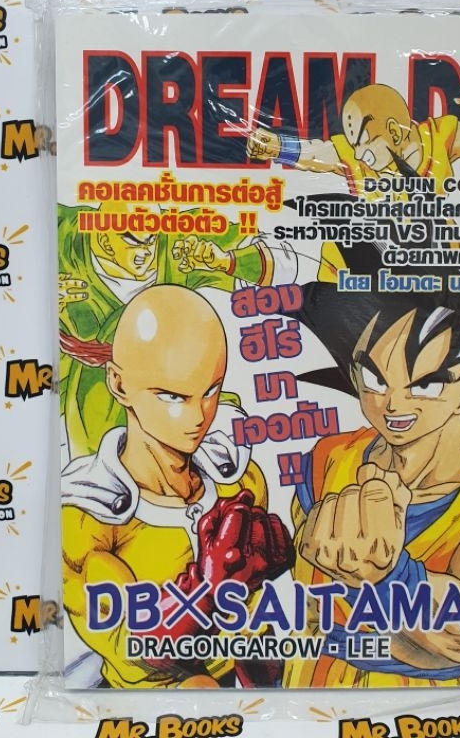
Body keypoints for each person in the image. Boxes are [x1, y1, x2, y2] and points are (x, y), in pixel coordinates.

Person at [283, 282, 460, 687]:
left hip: (426, 705)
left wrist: (388, 577)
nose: (393, 404)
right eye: (375, 378)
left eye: (425, 384)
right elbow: (307, 608)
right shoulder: (329, 460)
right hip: (309, 687)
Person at [60, 285, 293, 688]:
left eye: (211, 390)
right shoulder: (88, 519)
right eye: (172, 396)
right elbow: (135, 651)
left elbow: (258, 644)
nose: (199, 416)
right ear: (119, 384)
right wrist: (206, 591)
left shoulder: (238, 481)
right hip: (145, 707)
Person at [58, 198, 298, 459]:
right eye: (135, 242)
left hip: (175, 382)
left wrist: (225, 261)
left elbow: (287, 263)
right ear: (105, 240)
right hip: (91, 393)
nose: (148, 252)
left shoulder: (180, 239)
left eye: (152, 239)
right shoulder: (65, 230)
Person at [246, 83, 460, 197]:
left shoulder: (440, 135)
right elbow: (319, 153)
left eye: (363, 143)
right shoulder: (357, 161)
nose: (358, 154)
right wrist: (278, 147)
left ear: (394, 131)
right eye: (354, 145)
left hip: (435, 262)